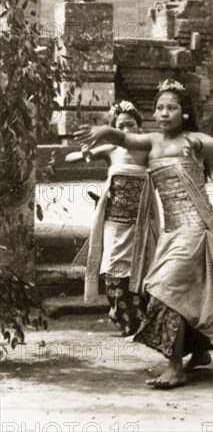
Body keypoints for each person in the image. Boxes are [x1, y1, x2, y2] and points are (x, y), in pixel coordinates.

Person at [74, 79, 213, 390]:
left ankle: (175, 368)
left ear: (184, 113)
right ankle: (198, 350)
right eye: (159, 107)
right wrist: (103, 132)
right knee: (160, 292)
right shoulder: (151, 142)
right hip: (172, 232)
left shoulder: (192, 138)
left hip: (196, 229)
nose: (164, 112)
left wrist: (200, 146)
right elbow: (122, 136)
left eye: (172, 107)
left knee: (163, 292)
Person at [68, 101, 158, 337]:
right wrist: (85, 152)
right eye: (120, 125)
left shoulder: (149, 149)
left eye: (130, 124)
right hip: (114, 223)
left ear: (139, 126)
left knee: (143, 269)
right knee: (114, 271)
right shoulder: (110, 150)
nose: (125, 129)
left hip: (142, 221)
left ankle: (142, 322)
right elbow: (71, 158)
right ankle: (124, 319)